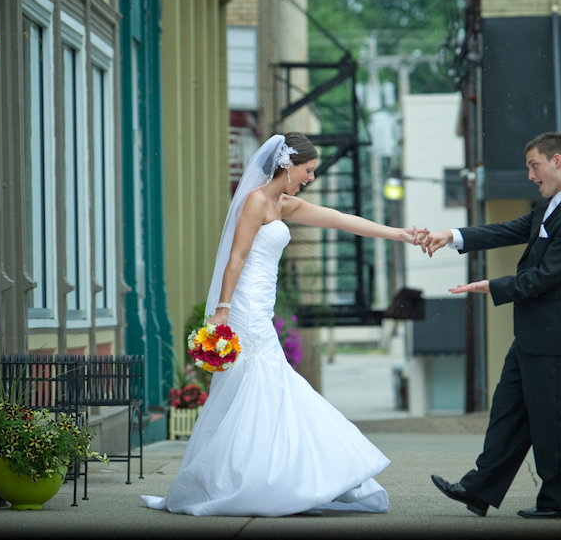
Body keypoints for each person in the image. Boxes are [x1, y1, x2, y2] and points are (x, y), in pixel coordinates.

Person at [141, 132, 421, 517]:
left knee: (262, 390)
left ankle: (266, 477)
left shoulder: (284, 204)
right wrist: (222, 309)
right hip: (243, 309)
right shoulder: (255, 202)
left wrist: (399, 234)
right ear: (288, 164)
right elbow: (236, 258)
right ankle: (255, 481)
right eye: (308, 170)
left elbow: (342, 220)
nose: (311, 177)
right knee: (257, 386)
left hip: (262, 308)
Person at [421, 131, 561, 520]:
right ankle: (478, 489)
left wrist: (491, 286)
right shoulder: (551, 205)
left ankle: (560, 502)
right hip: (535, 334)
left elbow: (545, 277)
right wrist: (452, 236)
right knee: (509, 411)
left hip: (556, 336)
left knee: (550, 420)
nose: (530, 176)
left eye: (534, 166)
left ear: (557, 161)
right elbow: (509, 230)